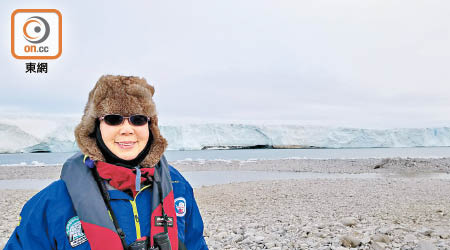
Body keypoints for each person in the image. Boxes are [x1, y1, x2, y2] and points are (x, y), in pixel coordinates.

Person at [5, 75, 209, 250]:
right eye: (114, 119)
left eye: (138, 119)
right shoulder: (53, 201)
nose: (127, 129)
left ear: (150, 127)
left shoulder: (177, 187)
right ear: (95, 126)